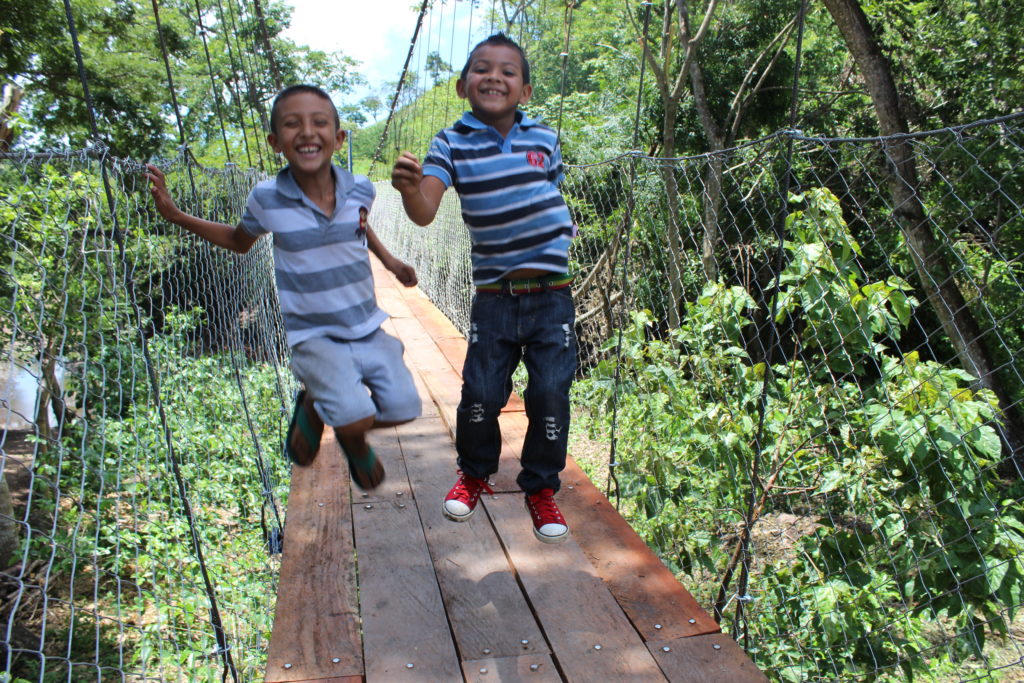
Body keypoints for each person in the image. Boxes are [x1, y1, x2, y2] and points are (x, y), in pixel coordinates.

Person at [145, 84, 421, 490]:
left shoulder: (362, 188)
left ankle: (317, 406)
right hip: (313, 335)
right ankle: (346, 430)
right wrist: (177, 216)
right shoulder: (267, 199)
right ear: (276, 143)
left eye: (319, 123)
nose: (307, 132)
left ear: (339, 138)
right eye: (293, 125)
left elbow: (359, 228)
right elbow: (240, 241)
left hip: (365, 324)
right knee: (356, 415)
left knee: (405, 407)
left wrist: (392, 262)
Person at [391, 33, 575, 543]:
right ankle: (474, 476)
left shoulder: (544, 138)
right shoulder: (450, 143)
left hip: (552, 293)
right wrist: (410, 189)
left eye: (508, 71)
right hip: (495, 297)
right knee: (481, 393)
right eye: (482, 68)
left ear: (527, 90)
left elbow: (547, 193)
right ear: (461, 86)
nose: (494, 76)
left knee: (550, 394)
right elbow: (425, 211)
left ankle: (541, 489)